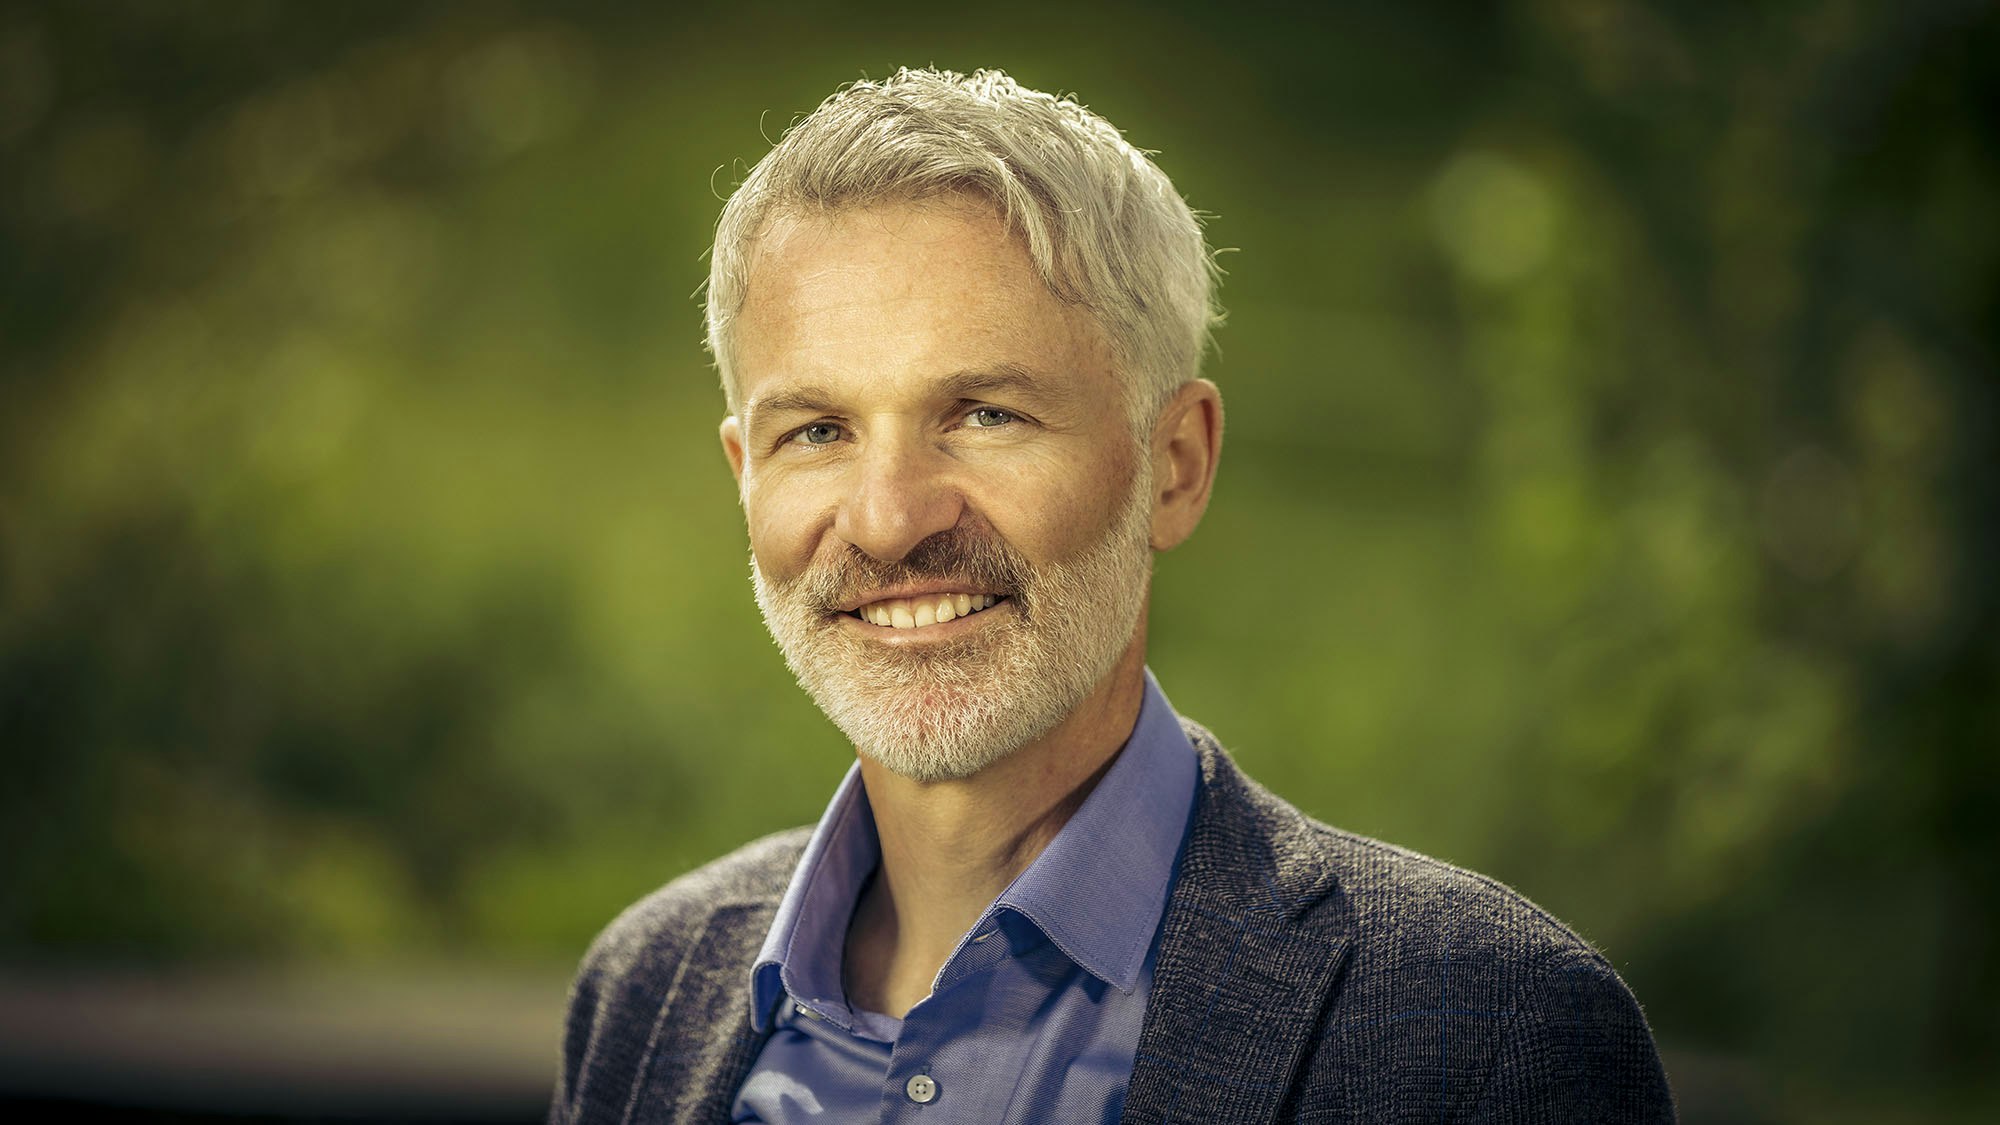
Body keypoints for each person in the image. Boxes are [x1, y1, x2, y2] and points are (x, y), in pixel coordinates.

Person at [550, 68, 1675, 1124]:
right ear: (746, 477)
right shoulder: (644, 993)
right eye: (818, 432)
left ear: (1172, 464)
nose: (889, 517)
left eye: (985, 413)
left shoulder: (1487, 1036)